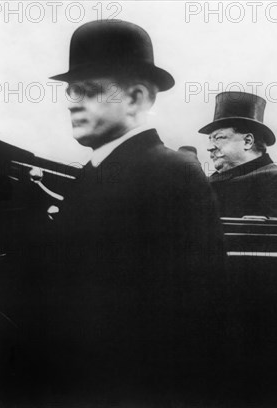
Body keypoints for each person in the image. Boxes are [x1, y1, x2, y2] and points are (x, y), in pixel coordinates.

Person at [31, 20, 225, 404]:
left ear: (136, 98)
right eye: (71, 90)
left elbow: (186, 317)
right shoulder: (98, 170)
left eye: (89, 90)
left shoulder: (171, 173)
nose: (71, 101)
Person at [200, 91, 277, 218]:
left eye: (219, 138)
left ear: (248, 141)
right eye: (210, 139)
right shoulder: (209, 182)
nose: (209, 147)